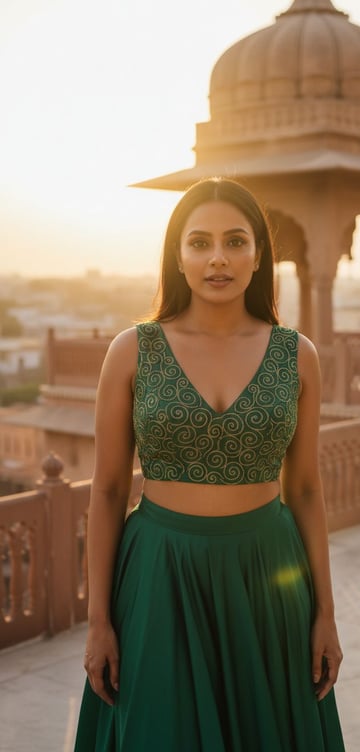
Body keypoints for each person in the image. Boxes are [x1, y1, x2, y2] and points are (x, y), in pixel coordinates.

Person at [74, 177, 345, 751]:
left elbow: (304, 490)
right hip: (159, 573)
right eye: (199, 242)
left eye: (235, 241)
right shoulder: (133, 350)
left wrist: (325, 611)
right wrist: (98, 620)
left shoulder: (297, 355)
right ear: (177, 256)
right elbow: (107, 492)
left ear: (257, 254)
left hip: (266, 574)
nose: (217, 258)